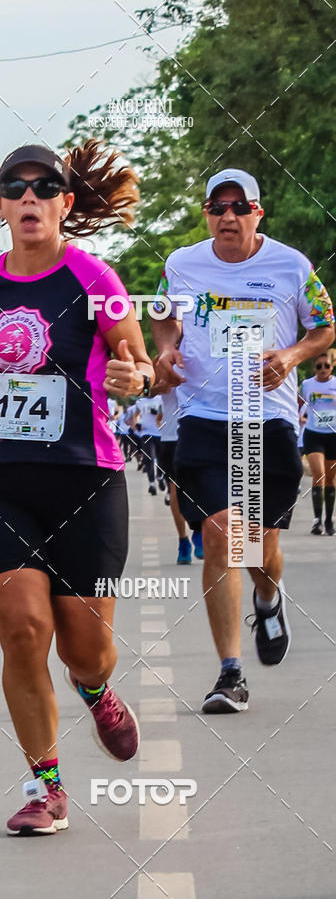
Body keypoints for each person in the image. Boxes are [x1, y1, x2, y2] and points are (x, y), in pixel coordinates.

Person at [0, 141, 154, 835]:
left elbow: (139, 362)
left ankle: (95, 689)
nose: (28, 196)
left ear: (64, 203)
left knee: (85, 649)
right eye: (14, 187)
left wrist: (131, 378)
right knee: (23, 628)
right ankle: (44, 785)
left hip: (85, 476)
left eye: (43, 186)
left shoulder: (93, 277)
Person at [153, 168, 334, 714]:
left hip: (268, 420)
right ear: (207, 213)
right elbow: (162, 314)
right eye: (217, 206)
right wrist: (166, 350)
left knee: (259, 548)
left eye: (239, 206)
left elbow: (324, 326)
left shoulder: (292, 266)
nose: (228, 215)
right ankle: (230, 673)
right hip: (204, 417)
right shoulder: (182, 265)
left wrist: (291, 357)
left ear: (258, 212)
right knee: (220, 532)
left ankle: (268, 596)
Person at [154, 381, 204, 563]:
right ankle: (183, 540)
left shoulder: (202, 357)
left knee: (201, 486)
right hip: (171, 436)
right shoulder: (163, 360)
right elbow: (147, 390)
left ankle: (198, 530)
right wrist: (162, 385)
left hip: (200, 435)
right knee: (175, 491)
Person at [300, 352, 336, 534]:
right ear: (314, 368)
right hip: (314, 434)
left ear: (332, 367)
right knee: (319, 475)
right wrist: (298, 416)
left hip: (333, 436)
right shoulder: (307, 385)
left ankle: (329, 521)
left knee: (330, 479)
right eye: (319, 366)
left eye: (326, 366)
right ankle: (317, 521)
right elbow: (299, 404)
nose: (323, 369)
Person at [135, 395, 164, 494]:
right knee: (149, 458)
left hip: (160, 433)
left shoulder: (161, 398)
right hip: (146, 433)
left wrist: (159, 413)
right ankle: (151, 483)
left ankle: (160, 476)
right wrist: (137, 425)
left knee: (161, 458)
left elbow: (167, 412)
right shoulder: (140, 401)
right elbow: (136, 415)